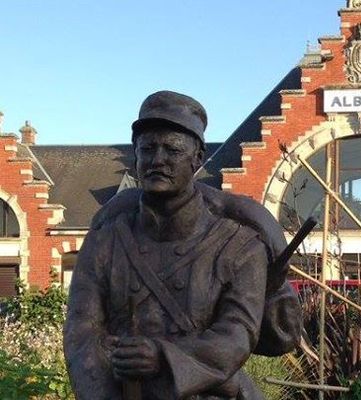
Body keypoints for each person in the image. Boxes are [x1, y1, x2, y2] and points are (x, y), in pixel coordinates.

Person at [64, 91, 301, 400]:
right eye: (147, 149)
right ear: (135, 156)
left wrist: (163, 356)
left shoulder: (239, 245)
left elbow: (237, 334)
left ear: (198, 159)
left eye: (172, 150)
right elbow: (81, 334)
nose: (157, 160)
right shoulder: (105, 241)